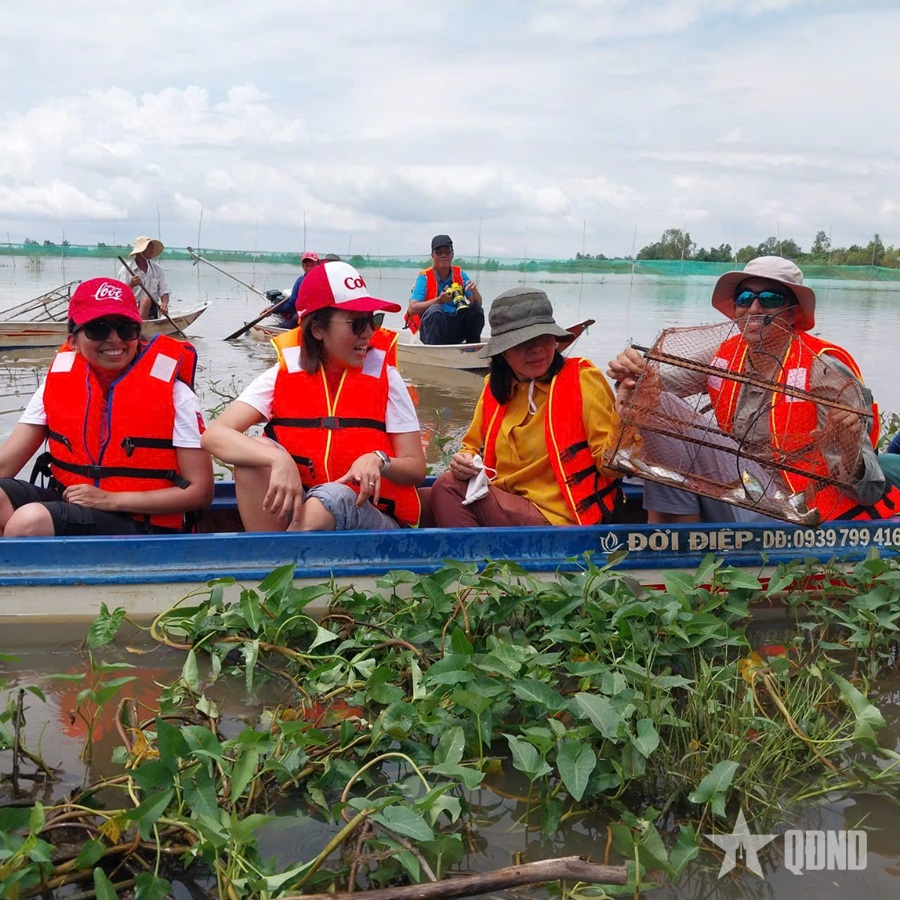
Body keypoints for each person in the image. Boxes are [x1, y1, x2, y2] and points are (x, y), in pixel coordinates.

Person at [607, 256, 900, 523]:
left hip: (798, 506)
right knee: (650, 401)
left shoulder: (825, 369)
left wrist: (849, 453)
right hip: (742, 489)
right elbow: (655, 386)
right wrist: (631, 375)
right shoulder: (723, 353)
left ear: (792, 312)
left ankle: (678, 548)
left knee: (659, 407)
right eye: (745, 298)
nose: (754, 308)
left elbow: (869, 490)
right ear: (734, 308)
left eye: (770, 298)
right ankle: (672, 541)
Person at [201, 261, 425, 532]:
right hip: (304, 509)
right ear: (317, 329)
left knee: (333, 496)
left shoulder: (386, 377)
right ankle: (271, 559)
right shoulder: (282, 374)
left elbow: (415, 468)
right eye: (357, 324)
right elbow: (214, 435)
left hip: (372, 518)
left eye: (373, 320)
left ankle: (282, 560)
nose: (368, 333)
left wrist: (380, 459)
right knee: (254, 457)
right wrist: (276, 459)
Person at [0, 278, 214, 536]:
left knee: (30, 520)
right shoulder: (56, 384)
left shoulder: (176, 394)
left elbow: (200, 492)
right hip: (72, 504)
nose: (115, 340)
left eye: (126, 328)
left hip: (145, 524)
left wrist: (109, 499)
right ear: (73, 341)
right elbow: (5, 467)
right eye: (98, 329)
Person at [427, 287, 623, 528]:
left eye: (544, 338)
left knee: (447, 488)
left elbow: (612, 466)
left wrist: (625, 404)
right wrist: (464, 459)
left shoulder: (582, 380)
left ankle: (470, 563)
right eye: (523, 342)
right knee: (424, 499)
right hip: (505, 502)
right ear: (503, 352)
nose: (537, 349)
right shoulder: (495, 388)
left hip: (560, 517)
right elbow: (472, 445)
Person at [405, 234, 484, 345]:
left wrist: (475, 292)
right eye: (439, 252)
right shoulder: (424, 277)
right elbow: (412, 308)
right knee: (436, 310)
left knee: (476, 309)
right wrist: (439, 300)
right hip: (433, 330)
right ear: (432, 255)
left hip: (456, 327)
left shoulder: (459, 274)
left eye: (447, 252)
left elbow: (478, 303)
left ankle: (472, 347)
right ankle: (434, 352)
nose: (443, 255)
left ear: (452, 255)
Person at [259, 251, 319, 329]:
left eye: (312, 265)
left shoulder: (324, 280)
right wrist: (272, 309)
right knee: (287, 323)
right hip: (303, 316)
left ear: (318, 265)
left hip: (319, 316)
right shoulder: (300, 281)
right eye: (307, 265)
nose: (310, 268)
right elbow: (291, 304)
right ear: (303, 266)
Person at [117, 236, 170, 319]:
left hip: (152, 309)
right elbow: (119, 295)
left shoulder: (157, 269)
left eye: (152, 248)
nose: (152, 250)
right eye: (149, 247)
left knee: (146, 301)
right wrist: (131, 285)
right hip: (131, 309)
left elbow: (164, 291)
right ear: (140, 251)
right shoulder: (126, 269)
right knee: (145, 301)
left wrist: (164, 304)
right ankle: (139, 325)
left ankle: (141, 325)